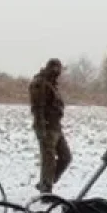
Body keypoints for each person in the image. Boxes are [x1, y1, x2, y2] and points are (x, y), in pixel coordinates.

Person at [29, 58, 71, 193]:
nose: (57, 71)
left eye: (59, 69)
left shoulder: (52, 84)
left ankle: (46, 182)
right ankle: (46, 189)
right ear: (48, 68)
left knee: (66, 157)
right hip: (46, 127)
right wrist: (41, 128)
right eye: (54, 68)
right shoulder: (40, 84)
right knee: (49, 160)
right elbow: (37, 108)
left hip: (56, 126)